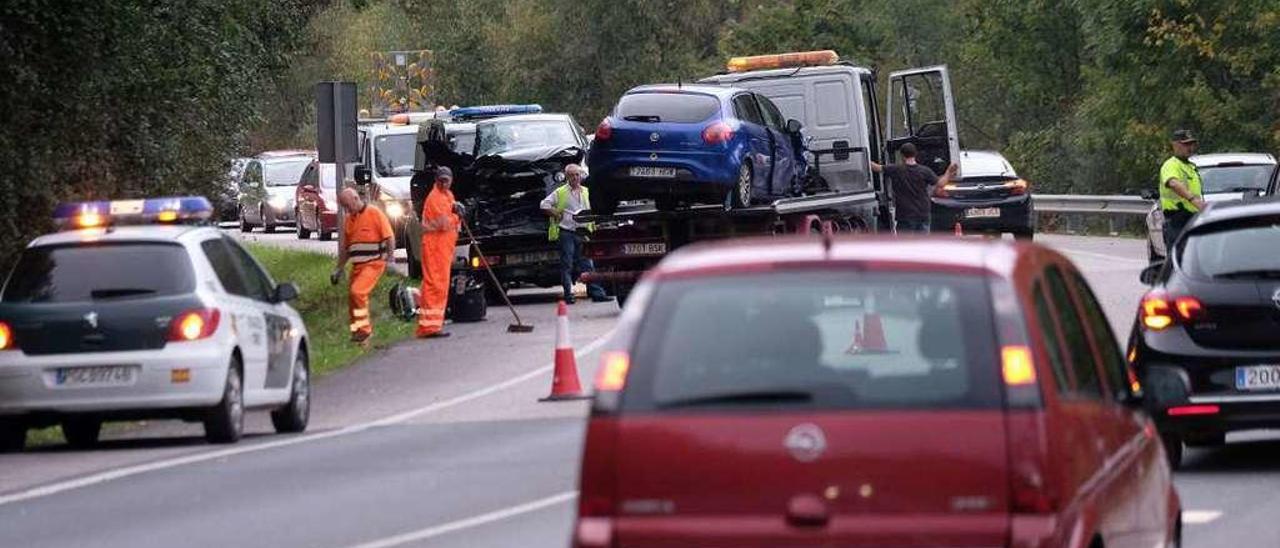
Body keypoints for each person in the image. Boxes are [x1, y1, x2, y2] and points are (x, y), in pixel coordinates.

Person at [540, 164, 613, 304]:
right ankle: (568, 295)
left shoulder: (586, 191)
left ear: (581, 176)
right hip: (567, 232)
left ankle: (597, 293)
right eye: (572, 175)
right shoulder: (560, 192)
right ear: (566, 177)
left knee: (588, 265)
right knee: (567, 265)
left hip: (584, 233)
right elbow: (544, 204)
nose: (575, 178)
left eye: (577, 175)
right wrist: (555, 213)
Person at [331, 187, 395, 345]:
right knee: (352, 299)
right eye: (344, 207)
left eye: (347, 205)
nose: (347, 209)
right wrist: (338, 269)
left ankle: (365, 332)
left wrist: (390, 259)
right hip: (358, 266)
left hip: (373, 263)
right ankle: (357, 332)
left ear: (355, 198)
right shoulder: (349, 219)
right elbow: (346, 250)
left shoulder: (374, 213)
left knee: (357, 292)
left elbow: (389, 237)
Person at [870, 143, 956, 234]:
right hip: (923, 214)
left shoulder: (895, 169)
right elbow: (941, 183)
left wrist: (864, 156)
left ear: (902, 155)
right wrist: (948, 172)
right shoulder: (925, 171)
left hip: (905, 215)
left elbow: (876, 167)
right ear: (915, 154)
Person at [417, 166, 461, 338]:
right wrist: (458, 216)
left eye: (446, 180)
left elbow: (450, 220)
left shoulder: (448, 196)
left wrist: (457, 214)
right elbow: (443, 223)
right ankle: (429, 327)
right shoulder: (435, 198)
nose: (443, 183)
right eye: (440, 180)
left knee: (440, 286)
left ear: (451, 180)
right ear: (436, 180)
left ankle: (434, 324)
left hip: (443, 248)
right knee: (434, 285)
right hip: (434, 247)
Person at [1158, 129, 1207, 253]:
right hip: (1177, 221)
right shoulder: (1171, 165)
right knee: (1178, 259)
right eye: (1185, 144)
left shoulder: (1190, 167)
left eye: (1191, 144)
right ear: (1175, 145)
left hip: (1193, 219)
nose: (1190, 148)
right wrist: (1193, 200)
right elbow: (1173, 182)